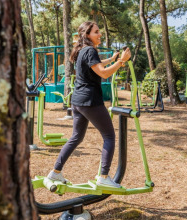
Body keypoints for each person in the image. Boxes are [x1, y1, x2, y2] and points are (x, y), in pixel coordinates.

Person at [47, 21, 131, 188]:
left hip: (77, 101)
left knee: (76, 137)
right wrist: (121, 61)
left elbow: (97, 65)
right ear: (87, 35)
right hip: (90, 100)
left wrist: (112, 59)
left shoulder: (82, 51)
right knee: (109, 136)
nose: (100, 34)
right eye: (96, 32)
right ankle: (104, 177)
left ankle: (55, 172)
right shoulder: (90, 50)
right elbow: (103, 73)